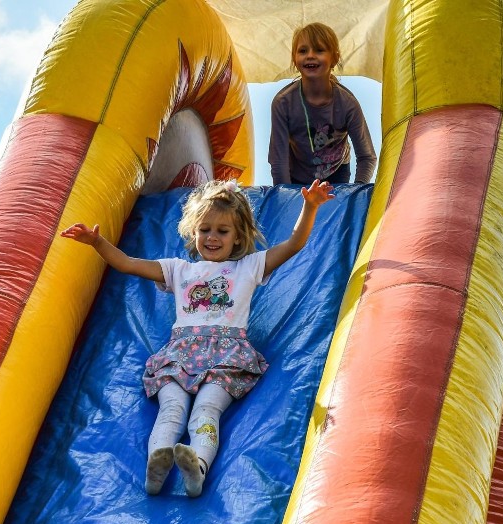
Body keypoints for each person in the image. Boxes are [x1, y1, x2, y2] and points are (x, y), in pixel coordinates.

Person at [60, 178, 334, 497]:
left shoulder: (247, 267)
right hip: (180, 355)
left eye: (222, 230)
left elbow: (293, 245)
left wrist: (310, 206)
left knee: (207, 409)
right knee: (172, 409)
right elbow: (128, 264)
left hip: (226, 358)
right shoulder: (178, 270)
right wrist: (97, 242)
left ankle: (197, 467)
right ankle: (157, 463)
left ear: (238, 236)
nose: (212, 237)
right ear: (193, 232)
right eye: (205, 229)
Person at [269, 22, 377, 185]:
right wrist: (285, 198)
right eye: (303, 51)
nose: (310, 55)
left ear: (334, 58)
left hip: (336, 174)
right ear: (294, 58)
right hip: (297, 176)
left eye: (319, 50)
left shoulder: (347, 104)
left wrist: (355, 193)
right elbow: (279, 162)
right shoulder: (283, 103)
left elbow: (367, 157)